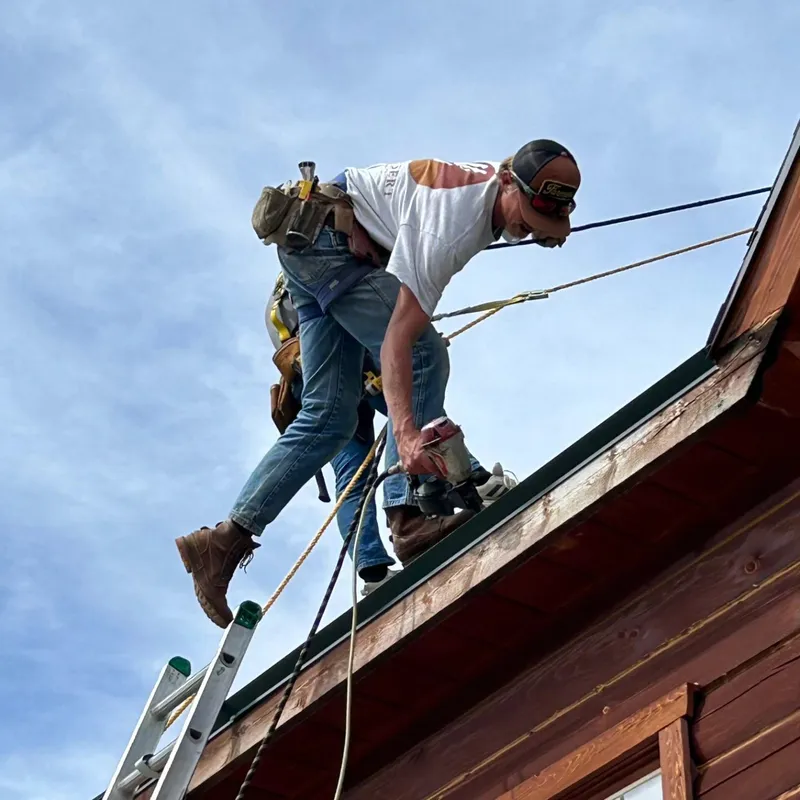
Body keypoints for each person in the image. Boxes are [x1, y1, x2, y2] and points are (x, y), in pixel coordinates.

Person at [176, 139, 580, 628]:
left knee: (328, 417)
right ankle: (407, 519)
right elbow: (397, 344)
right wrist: (407, 435)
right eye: (531, 220)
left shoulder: (488, 194)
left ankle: (222, 542)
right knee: (423, 353)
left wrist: (534, 225)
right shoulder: (449, 229)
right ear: (507, 183)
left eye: (543, 227)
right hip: (330, 246)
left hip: (312, 239)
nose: (528, 233)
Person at [264, 271, 517, 596]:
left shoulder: (291, 283)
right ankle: (462, 494)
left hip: (309, 377)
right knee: (409, 413)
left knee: (352, 472)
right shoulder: (330, 266)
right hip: (342, 355)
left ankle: (374, 572)